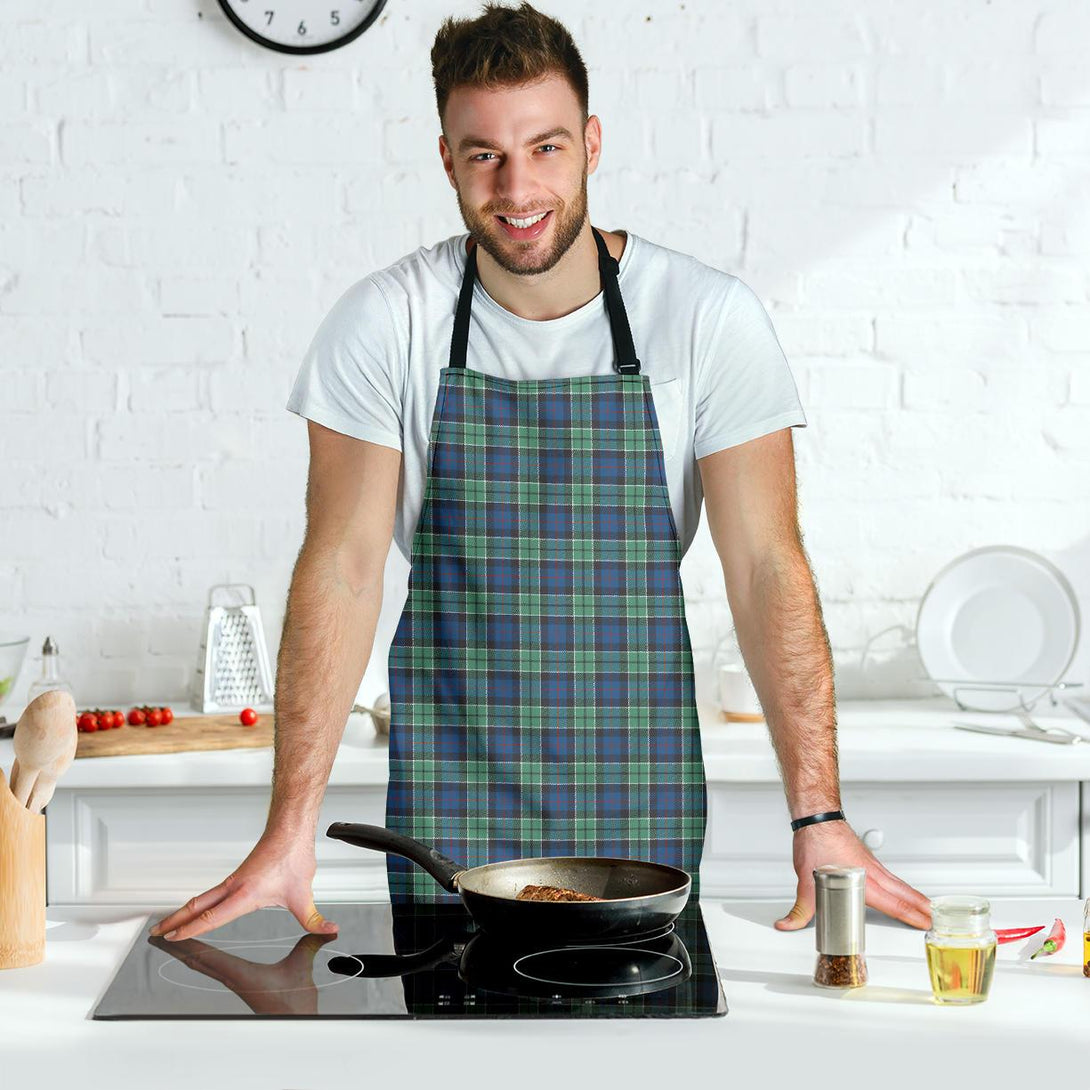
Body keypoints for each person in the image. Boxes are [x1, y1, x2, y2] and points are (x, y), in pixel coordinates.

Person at [151, 2, 931, 942]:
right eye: (484, 153)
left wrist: (819, 813)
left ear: (591, 143)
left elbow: (768, 566)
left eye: (546, 147)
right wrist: (288, 828)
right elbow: (343, 570)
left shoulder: (706, 318)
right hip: (448, 812)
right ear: (446, 159)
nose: (517, 186)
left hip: (642, 813)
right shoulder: (386, 321)